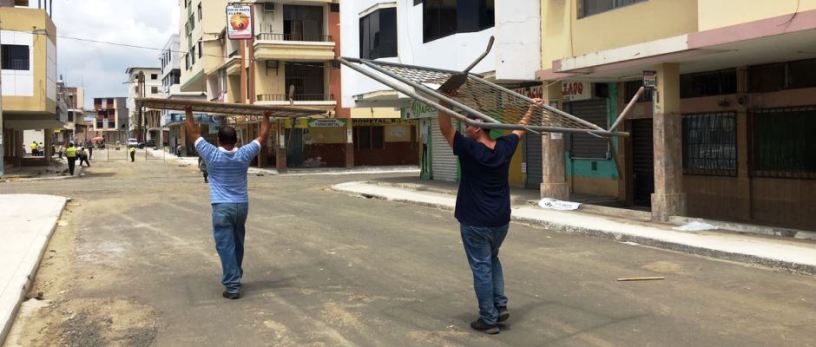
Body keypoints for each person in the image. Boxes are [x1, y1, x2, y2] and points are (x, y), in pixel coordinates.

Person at [437, 94, 543, 334]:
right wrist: (532, 108)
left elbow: (444, 128)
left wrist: (443, 102)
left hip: (475, 222)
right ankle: (499, 305)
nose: (464, 128)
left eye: (467, 125)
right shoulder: (504, 147)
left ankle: (488, 318)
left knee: (481, 267)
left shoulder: (468, 149)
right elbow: (521, 129)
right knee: (492, 259)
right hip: (500, 221)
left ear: (476, 129)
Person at [184, 106, 270, 300]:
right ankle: (236, 275)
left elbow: (193, 133)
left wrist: (188, 112)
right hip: (241, 206)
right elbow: (262, 137)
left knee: (225, 246)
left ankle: (232, 286)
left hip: (222, 207)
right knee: (237, 242)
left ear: (218, 140)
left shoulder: (212, 154)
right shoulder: (244, 154)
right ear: (236, 140)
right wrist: (266, 116)